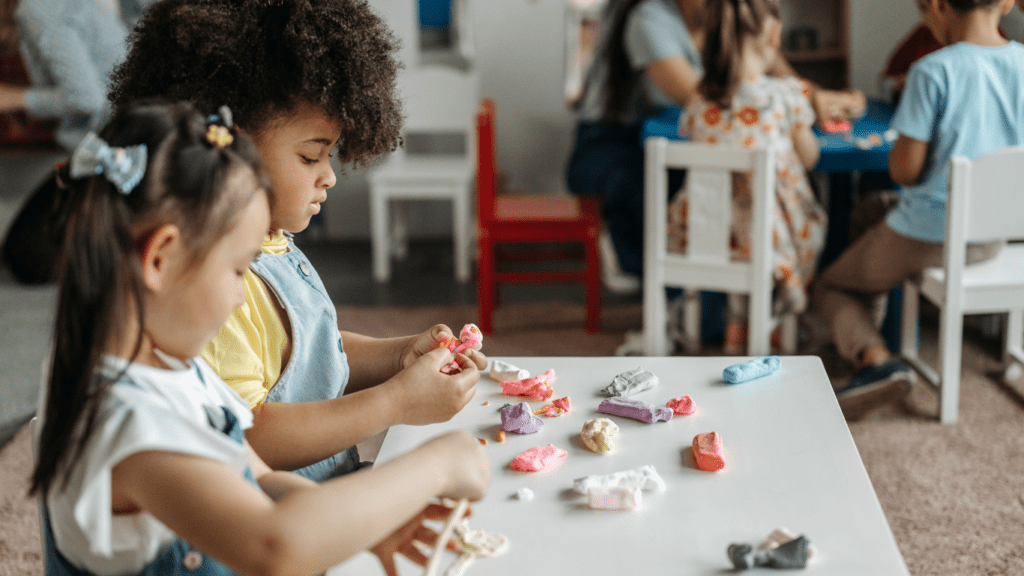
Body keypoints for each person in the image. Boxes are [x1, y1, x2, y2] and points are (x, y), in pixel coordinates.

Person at [30, 100, 489, 576]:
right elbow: (275, 548)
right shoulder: (125, 423)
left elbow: (261, 476)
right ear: (160, 259)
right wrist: (437, 463)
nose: (240, 297)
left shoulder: (175, 369)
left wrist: (365, 524)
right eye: (237, 269)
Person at [103, 0, 489, 483]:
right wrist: (396, 402)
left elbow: (307, 355)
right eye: (310, 157)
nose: (329, 176)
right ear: (232, 147)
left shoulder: (273, 241)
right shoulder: (206, 285)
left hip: (320, 502)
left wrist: (400, 357)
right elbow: (248, 437)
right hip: (274, 518)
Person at [812, 0, 1024, 420]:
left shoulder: (933, 70)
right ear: (1006, 2)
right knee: (871, 210)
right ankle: (860, 337)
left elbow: (905, 172)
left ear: (940, 6)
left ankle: (876, 361)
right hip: (993, 236)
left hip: (929, 233)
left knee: (831, 286)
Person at [565, 0, 864, 292]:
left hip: (668, 133)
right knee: (679, 194)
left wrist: (825, 99)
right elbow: (706, 99)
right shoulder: (649, 18)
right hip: (610, 144)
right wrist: (798, 99)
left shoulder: (733, 15)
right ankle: (632, 253)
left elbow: (772, 65)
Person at [666, 0, 827, 354]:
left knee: (739, 217)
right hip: (771, 241)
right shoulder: (787, 95)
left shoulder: (699, 100)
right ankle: (774, 326)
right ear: (773, 33)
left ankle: (737, 327)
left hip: (705, 237)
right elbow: (811, 157)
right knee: (805, 218)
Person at [0, 0, 128, 150]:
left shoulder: (38, 8)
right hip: (117, 136)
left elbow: (86, 98)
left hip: (120, 142)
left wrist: (13, 99)